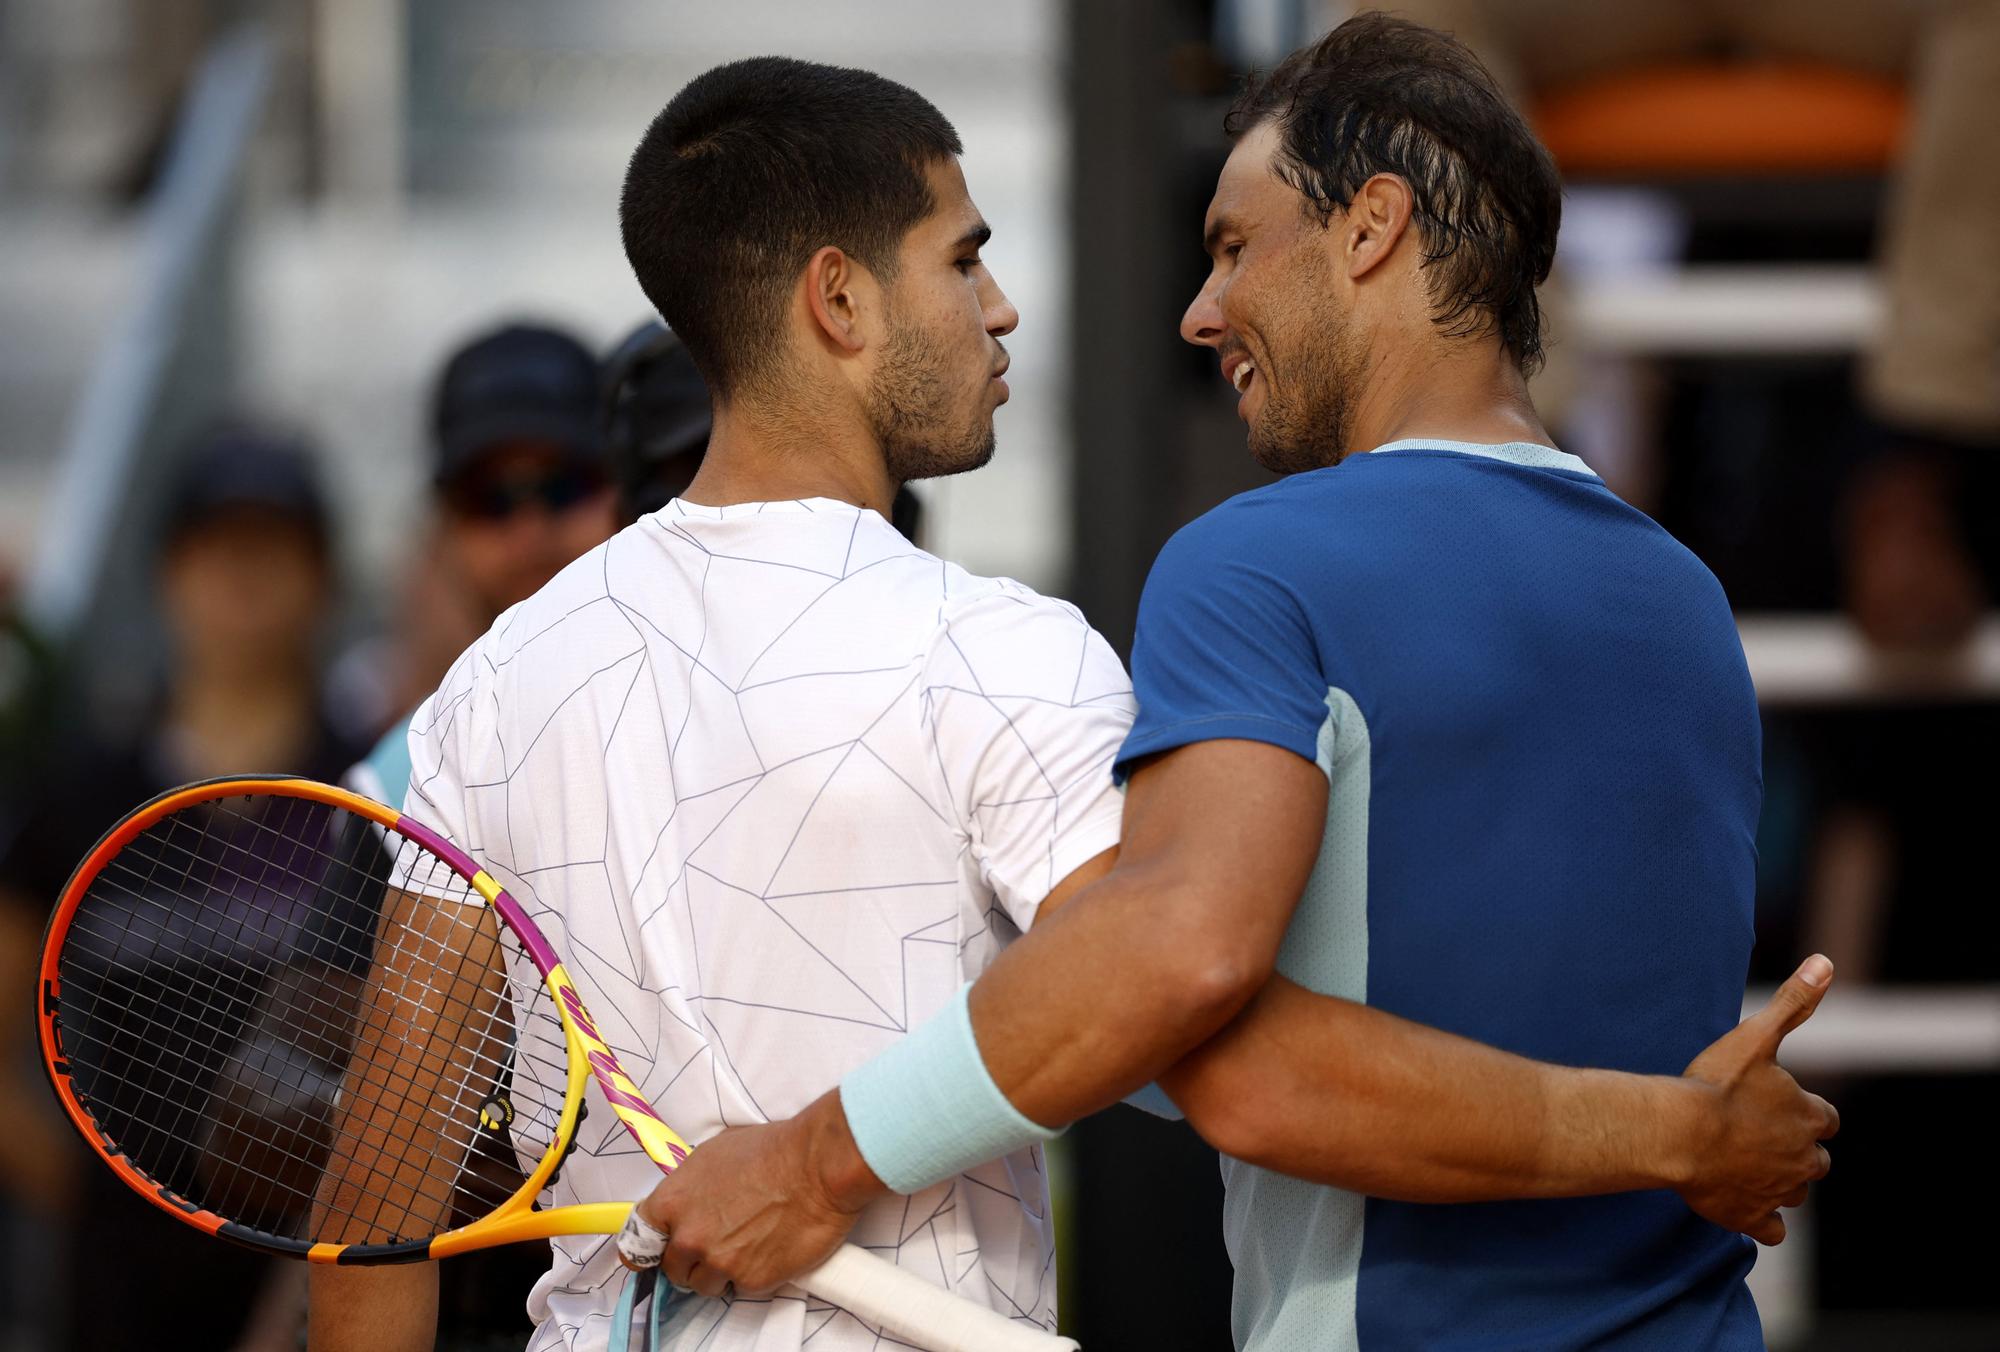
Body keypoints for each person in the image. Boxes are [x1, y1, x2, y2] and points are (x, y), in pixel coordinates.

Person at [310, 49, 1831, 1352]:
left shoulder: (486, 691)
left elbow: (378, 1195)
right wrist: (1667, 1133)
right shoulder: (1012, 652)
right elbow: (1210, 1039)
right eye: (963, 257)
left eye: (1235, 248)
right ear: (837, 302)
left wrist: (821, 1154)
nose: (1008, 306)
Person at [0, 423, 364, 1351]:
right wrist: (92, 1191)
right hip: (117, 1300)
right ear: (169, 571)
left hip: (319, 1286)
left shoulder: (372, 792)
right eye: (216, 546)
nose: (242, 576)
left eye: (272, 547)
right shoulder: (82, 794)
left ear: (322, 577)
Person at [347, 321, 619, 807]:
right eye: (489, 500)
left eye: (567, 486)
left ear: (629, 491)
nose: (530, 532)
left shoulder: (720, 715)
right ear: (443, 531)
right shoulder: (399, 786)